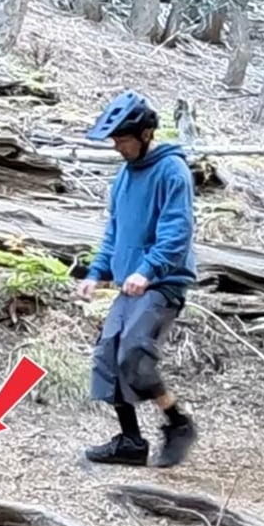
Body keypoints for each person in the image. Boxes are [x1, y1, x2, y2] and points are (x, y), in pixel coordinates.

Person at [76, 89, 197, 468]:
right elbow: (115, 232)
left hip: (162, 283)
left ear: (145, 135)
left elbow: (177, 233)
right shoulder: (124, 177)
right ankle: (130, 441)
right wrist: (97, 273)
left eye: (122, 139)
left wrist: (148, 271)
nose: (117, 147)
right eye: (114, 139)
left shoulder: (172, 171)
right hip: (131, 283)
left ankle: (178, 423)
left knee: (134, 355)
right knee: (107, 354)